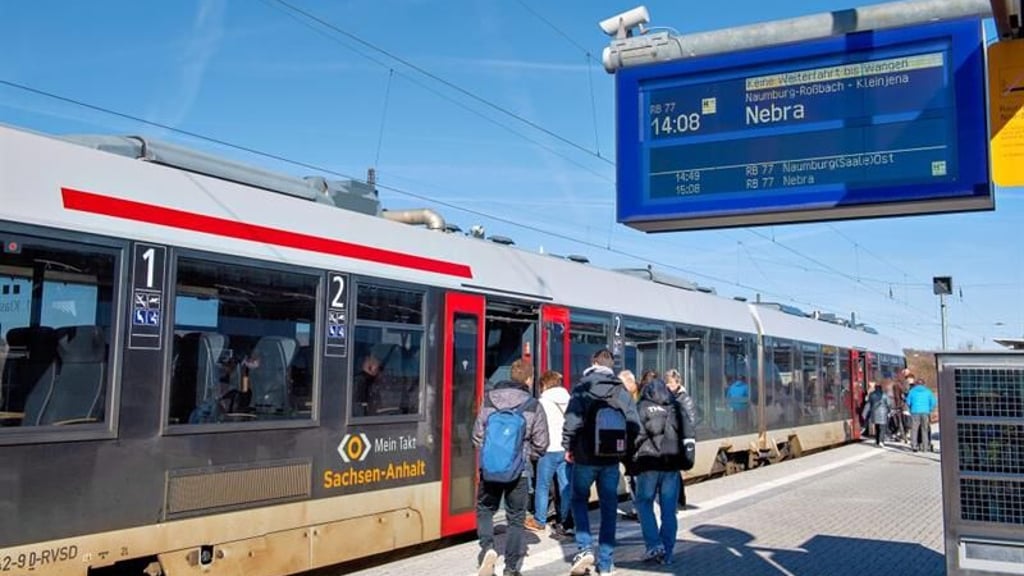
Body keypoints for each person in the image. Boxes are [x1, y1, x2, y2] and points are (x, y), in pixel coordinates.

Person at [563, 349, 640, 576]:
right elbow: (635, 425)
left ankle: (585, 547)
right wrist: (623, 449)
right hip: (610, 460)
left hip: (585, 457)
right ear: (611, 366)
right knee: (608, 507)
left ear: (593, 362)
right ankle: (606, 564)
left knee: (578, 500)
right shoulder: (620, 390)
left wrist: (568, 446)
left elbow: (571, 422)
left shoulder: (582, 388)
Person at [473, 359, 549, 576]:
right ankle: (511, 568)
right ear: (529, 379)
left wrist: (492, 455)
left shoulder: (489, 400)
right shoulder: (533, 404)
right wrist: (524, 456)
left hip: (490, 469)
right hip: (520, 471)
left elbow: (477, 435)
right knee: (516, 519)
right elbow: (542, 444)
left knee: (485, 509)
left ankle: (488, 548)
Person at [632, 378, 691, 565]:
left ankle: (654, 545)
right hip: (671, 464)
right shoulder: (676, 407)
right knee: (668, 510)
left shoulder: (641, 407)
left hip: (648, 463)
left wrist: (631, 459)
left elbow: (634, 434)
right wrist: (687, 460)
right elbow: (688, 433)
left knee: (643, 503)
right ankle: (667, 552)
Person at [527, 370, 572, 537]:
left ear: (544, 384)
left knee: (542, 485)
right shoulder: (569, 400)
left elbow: (535, 426)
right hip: (565, 449)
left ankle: (539, 520)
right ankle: (565, 521)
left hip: (547, 450)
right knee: (565, 486)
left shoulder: (542, 402)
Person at [664, 368, 697, 509]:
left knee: (674, 471)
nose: (668, 386)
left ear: (678, 383)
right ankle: (678, 500)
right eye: (667, 383)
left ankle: (679, 500)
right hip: (671, 439)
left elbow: (691, 421)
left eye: (671, 384)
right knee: (674, 471)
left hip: (679, 440)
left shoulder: (684, 399)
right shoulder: (669, 398)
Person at [616, 370, 640, 522]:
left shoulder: (632, 396)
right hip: (629, 444)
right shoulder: (627, 396)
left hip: (630, 444)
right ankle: (638, 508)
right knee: (634, 476)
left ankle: (639, 509)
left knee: (635, 477)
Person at [904, 373, 937, 453]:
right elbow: (934, 402)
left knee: (914, 429)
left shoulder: (912, 391)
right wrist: (930, 409)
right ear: (924, 384)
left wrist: (910, 409)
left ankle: (914, 446)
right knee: (925, 430)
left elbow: (908, 402)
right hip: (925, 412)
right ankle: (925, 447)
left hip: (915, 412)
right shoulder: (928, 391)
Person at [862, 381, 892, 447]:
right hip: (883, 414)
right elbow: (889, 404)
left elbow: (868, 404)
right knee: (882, 428)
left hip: (874, 413)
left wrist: (864, 413)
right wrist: (890, 411)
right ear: (881, 388)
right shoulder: (884, 395)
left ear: (875, 388)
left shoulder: (872, 395)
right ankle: (881, 441)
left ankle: (877, 441)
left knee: (877, 428)